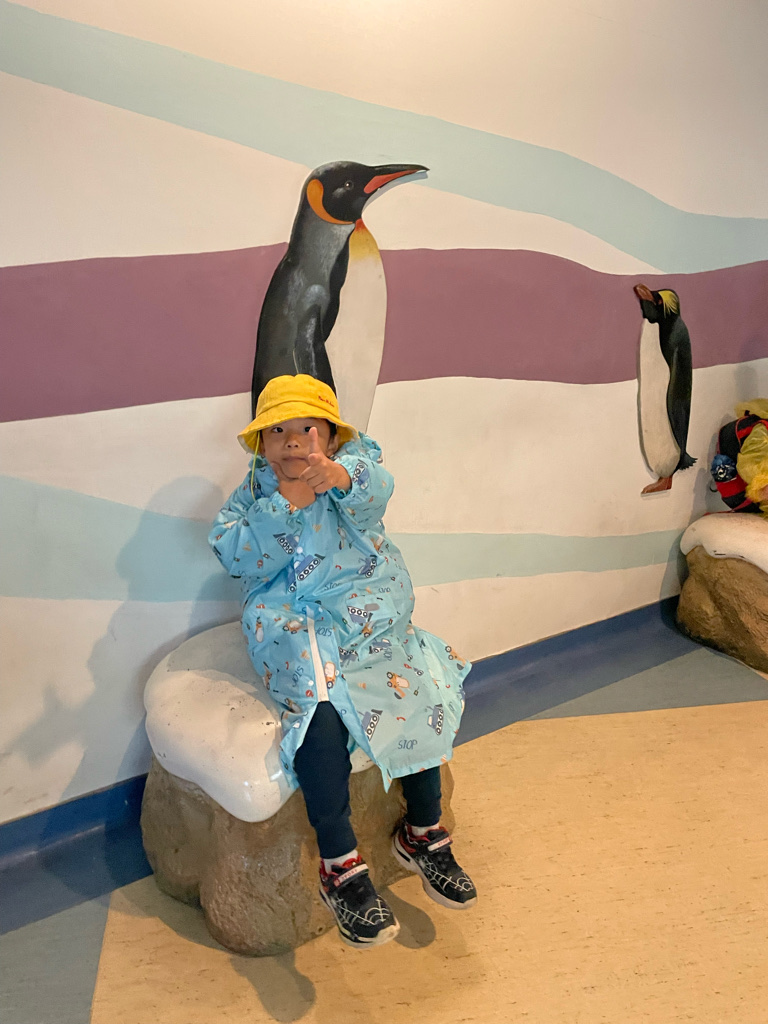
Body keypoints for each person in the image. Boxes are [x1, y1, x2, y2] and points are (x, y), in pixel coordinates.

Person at [209, 374, 477, 948]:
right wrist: (282, 509)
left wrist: (341, 478)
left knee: (414, 689)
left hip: (366, 618)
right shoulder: (254, 496)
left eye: (307, 429)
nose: (292, 441)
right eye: (276, 431)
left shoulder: (351, 470)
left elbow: (377, 491)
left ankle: (422, 830)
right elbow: (233, 554)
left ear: (332, 436)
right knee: (320, 716)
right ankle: (339, 864)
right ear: (261, 445)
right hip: (295, 624)